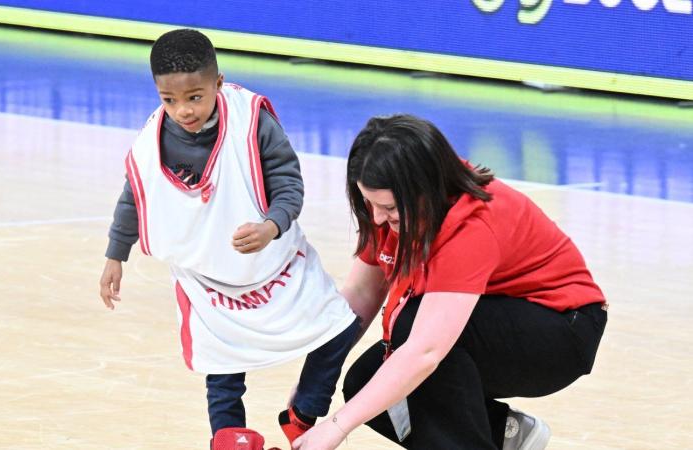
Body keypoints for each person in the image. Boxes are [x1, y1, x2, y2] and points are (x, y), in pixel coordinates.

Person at [98, 29, 359, 450]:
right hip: (207, 275)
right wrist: (116, 255)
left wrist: (272, 226)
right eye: (169, 100)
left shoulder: (253, 119)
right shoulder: (152, 140)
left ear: (218, 84)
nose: (182, 110)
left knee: (340, 328)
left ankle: (303, 412)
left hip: (272, 261)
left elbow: (288, 182)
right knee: (222, 368)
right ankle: (227, 438)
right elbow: (136, 196)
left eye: (195, 97)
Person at [294, 114, 608, 450]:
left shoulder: (471, 224)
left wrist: (337, 427)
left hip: (560, 333)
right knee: (365, 381)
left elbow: (425, 351)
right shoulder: (394, 208)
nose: (376, 218)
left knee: (412, 337)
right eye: (369, 202)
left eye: (386, 207)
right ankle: (503, 432)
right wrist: (313, 383)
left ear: (424, 189)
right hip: (492, 317)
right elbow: (362, 292)